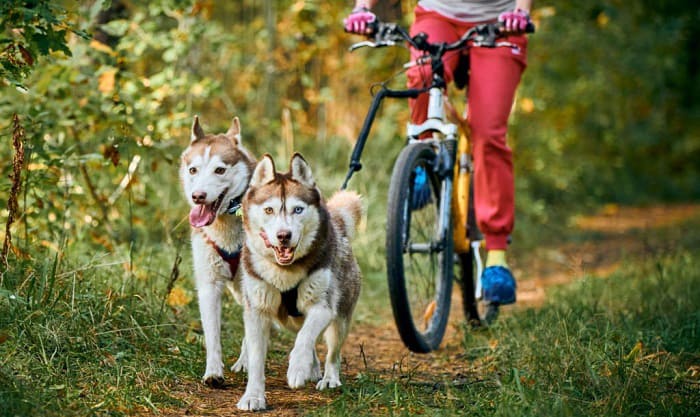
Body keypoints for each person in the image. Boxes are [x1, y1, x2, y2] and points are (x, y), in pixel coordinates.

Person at [344, 1, 533, 306]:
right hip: (438, 15)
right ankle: (423, 162)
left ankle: (497, 255)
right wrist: (362, 8)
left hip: (501, 25)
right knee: (421, 78)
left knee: (488, 133)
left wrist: (521, 12)